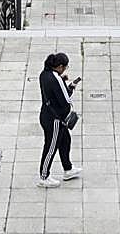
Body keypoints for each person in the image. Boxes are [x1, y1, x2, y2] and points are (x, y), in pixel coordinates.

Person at [37, 52, 81, 187]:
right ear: (60, 66)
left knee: (65, 140)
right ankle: (44, 177)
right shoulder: (56, 78)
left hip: (47, 114)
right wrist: (71, 86)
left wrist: (62, 81)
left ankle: (68, 169)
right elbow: (66, 99)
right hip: (55, 119)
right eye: (65, 67)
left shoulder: (44, 74)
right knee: (51, 146)